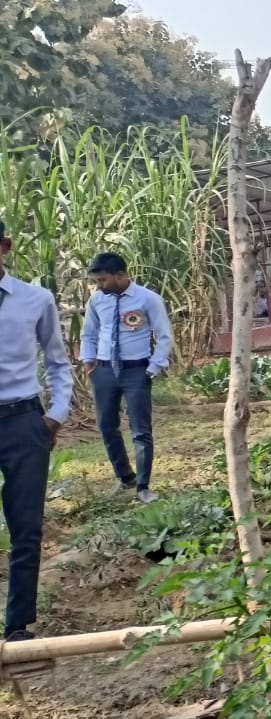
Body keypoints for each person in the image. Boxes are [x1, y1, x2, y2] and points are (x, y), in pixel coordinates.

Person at [0, 218, 73, 641]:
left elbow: (58, 361)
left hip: (23, 424)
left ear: (5, 246)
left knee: (26, 528)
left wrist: (56, 414)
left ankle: (17, 626)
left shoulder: (35, 299)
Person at [80, 252, 172, 505]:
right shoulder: (97, 300)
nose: (99, 285)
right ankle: (125, 477)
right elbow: (89, 333)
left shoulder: (148, 299)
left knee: (140, 429)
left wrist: (153, 367)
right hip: (103, 370)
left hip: (136, 371)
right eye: (97, 281)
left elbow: (164, 335)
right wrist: (89, 361)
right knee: (106, 426)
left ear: (120, 275)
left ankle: (143, 486)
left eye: (103, 280)